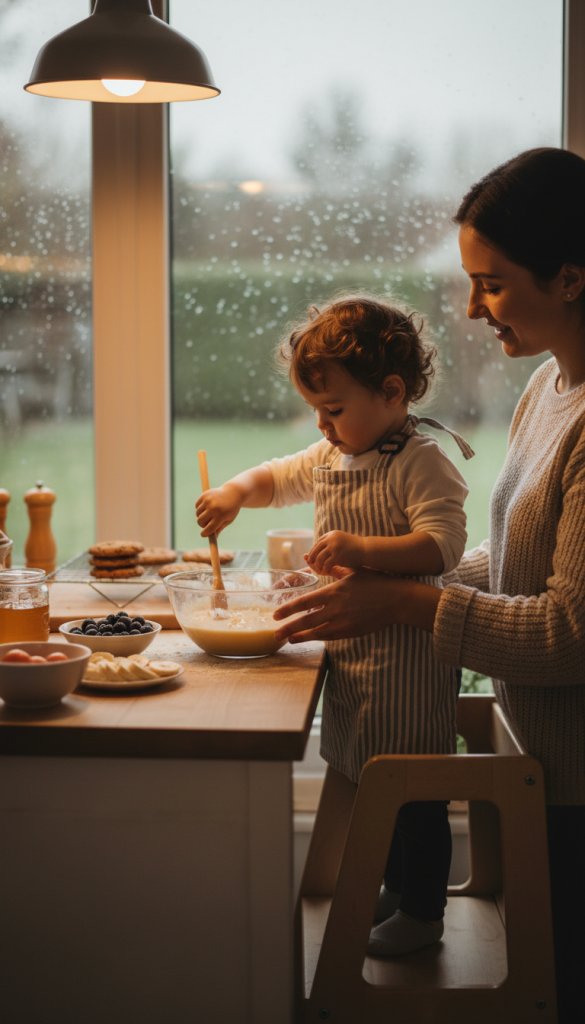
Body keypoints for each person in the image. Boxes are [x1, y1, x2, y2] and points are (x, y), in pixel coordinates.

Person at [272, 148, 585, 1022]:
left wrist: (409, 601)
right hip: (532, 768)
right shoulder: (545, 391)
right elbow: (507, 565)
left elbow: (570, 632)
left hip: (569, 796)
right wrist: (398, 576)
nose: (472, 305)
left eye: (489, 283)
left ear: (568, 276)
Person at [196, 295, 473, 956]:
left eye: (334, 410)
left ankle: (423, 914)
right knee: (368, 780)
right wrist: (233, 492)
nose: (321, 427)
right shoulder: (332, 454)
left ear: (392, 392)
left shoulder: (420, 460)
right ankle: (395, 889)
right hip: (355, 662)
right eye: (315, 412)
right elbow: (272, 477)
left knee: (413, 794)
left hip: (407, 663)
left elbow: (442, 546)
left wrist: (361, 549)